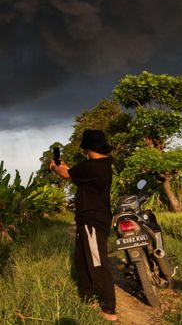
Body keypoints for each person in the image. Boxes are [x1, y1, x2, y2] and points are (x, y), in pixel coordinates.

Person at [50, 129, 117, 322]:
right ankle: (87, 298)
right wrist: (64, 167)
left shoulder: (93, 166)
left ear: (86, 148)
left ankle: (109, 309)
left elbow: (66, 175)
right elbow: (74, 173)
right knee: (81, 261)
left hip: (93, 221)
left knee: (97, 263)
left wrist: (55, 167)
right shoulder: (100, 165)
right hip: (87, 220)